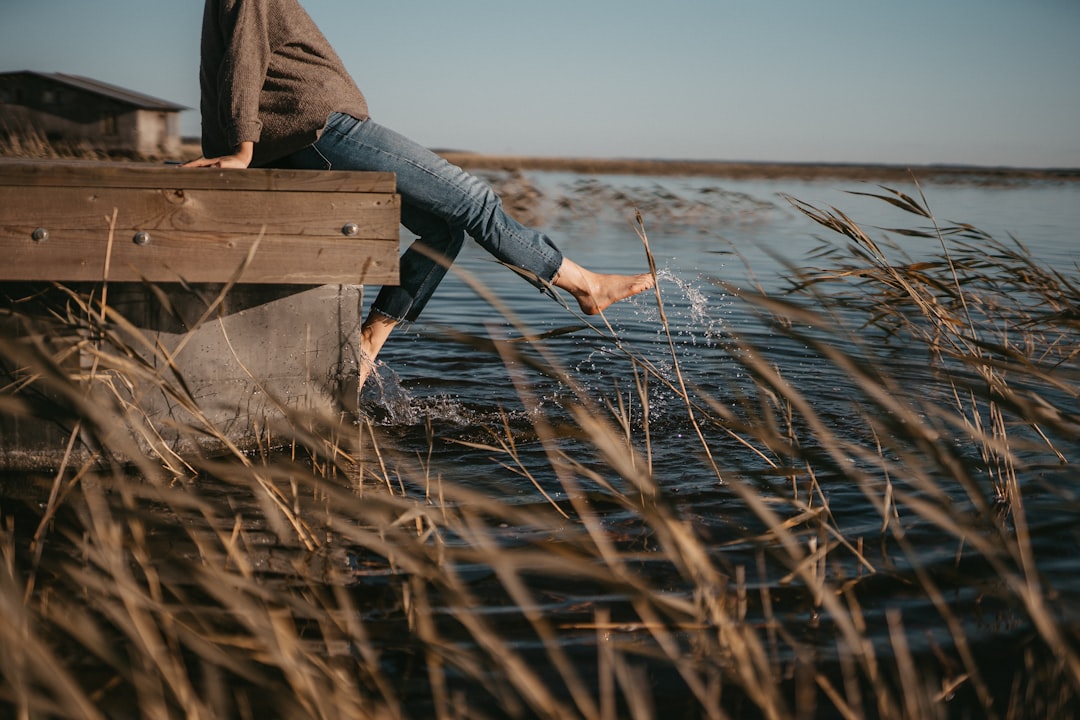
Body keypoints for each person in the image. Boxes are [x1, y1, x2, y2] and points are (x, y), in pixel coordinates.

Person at [184, 0, 655, 391]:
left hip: (314, 133)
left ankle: (368, 344)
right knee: (475, 199)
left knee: (443, 227)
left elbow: (229, 63)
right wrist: (242, 149)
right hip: (322, 129)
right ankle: (586, 286)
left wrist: (236, 145)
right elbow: (241, 61)